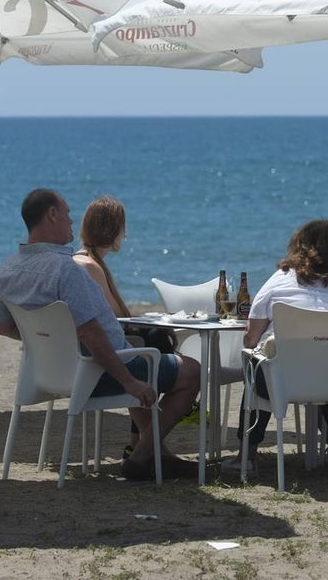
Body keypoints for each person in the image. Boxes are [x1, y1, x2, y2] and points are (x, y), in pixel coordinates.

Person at [0, 189, 201, 481]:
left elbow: (2, 327)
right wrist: (128, 381)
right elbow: (90, 332)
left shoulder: (7, 270)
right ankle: (142, 455)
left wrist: (51, 346)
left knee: (137, 357)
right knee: (191, 371)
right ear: (51, 214)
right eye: (66, 212)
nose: (71, 220)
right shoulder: (66, 270)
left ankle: (158, 455)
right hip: (97, 373)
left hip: (50, 373)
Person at [233, 218, 328, 474]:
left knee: (257, 364)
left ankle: (248, 453)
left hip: (284, 380)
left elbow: (251, 338)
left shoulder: (279, 281)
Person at [73, 195, 186, 459]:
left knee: (154, 340)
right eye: (122, 228)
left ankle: (137, 440)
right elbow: (116, 315)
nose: (124, 235)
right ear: (112, 230)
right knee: (159, 342)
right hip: (104, 361)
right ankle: (149, 447)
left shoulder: (82, 260)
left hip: (84, 356)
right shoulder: (90, 266)